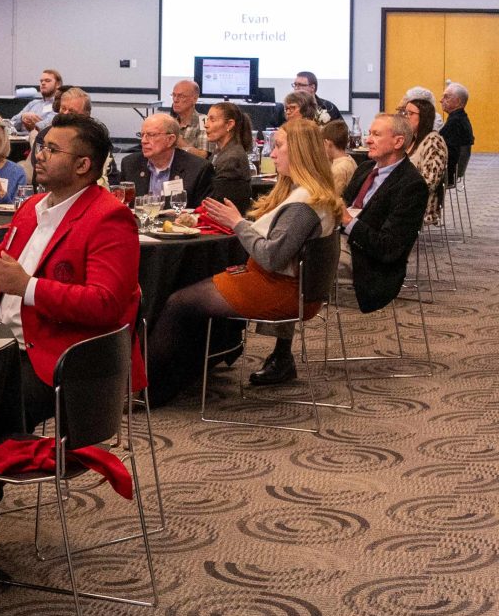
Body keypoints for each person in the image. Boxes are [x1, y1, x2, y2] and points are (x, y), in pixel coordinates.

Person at [0, 113, 142, 391]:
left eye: (52, 150)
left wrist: (27, 287)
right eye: (42, 147)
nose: (40, 156)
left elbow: (105, 304)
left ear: (82, 165)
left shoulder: (109, 218)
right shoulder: (31, 208)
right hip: (2, 341)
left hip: (58, 353)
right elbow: (5, 278)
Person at [152, 118, 342, 402]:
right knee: (189, 294)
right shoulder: (310, 195)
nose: (272, 154)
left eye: (278, 147)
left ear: (301, 152)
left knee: (177, 302)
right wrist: (234, 222)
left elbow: (270, 257)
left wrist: (237, 223)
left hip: (277, 289)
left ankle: (150, 388)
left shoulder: (304, 205)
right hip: (284, 285)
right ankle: (179, 376)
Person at [314, 112, 431, 380]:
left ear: (399, 141)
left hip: (370, 264)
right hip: (340, 241)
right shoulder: (366, 169)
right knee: (290, 247)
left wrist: (346, 220)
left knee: (295, 258)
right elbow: (340, 205)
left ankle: (280, 341)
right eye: (370, 133)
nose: (368, 140)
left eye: (376, 134)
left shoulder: (411, 186)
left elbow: (388, 248)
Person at [110, 114, 213, 208]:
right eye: (142, 135)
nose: (143, 141)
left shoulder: (198, 169)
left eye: (151, 135)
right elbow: (123, 206)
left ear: (170, 140)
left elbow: (202, 213)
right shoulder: (130, 164)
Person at [203, 101, 259, 210]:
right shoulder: (220, 152)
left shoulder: (232, 158)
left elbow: (218, 200)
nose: (206, 125)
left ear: (229, 124)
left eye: (212, 119)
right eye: (207, 119)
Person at [406, 96, 450, 227]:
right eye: (405, 113)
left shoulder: (434, 142)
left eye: (411, 113)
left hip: (419, 201)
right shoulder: (412, 139)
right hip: (404, 195)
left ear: (423, 117)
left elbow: (429, 182)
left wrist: (400, 190)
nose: (406, 117)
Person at [439, 82, 473, 191]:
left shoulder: (456, 121)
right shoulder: (461, 118)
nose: (441, 100)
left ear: (458, 101)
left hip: (448, 173)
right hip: (454, 171)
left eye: (446, 97)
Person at [13, 69, 64, 133]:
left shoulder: (60, 104)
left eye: (47, 81)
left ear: (58, 84)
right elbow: (12, 124)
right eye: (41, 81)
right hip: (19, 140)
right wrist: (22, 117)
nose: (43, 83)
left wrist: (27, 122)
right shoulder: (33, 103)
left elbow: (47, 126)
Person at [169, 79, 207, 155]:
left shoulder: (204, 121)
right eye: (174, 95)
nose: (175, 100)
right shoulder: (170, 122)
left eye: (181, 96)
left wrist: (179, 142)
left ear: (194, 99)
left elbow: (203, 156)